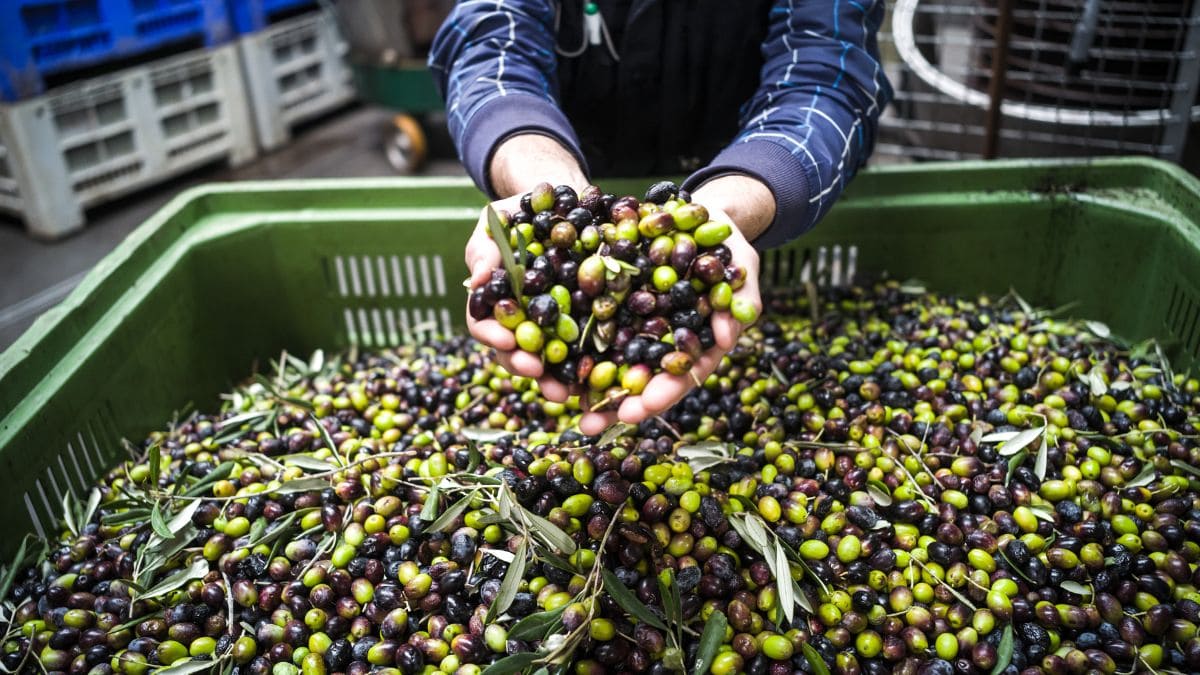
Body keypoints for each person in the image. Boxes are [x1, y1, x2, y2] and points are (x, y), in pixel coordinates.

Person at [429, 0, 891, 435]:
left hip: (759, 202)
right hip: (579, 167)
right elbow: (490, 46)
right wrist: (543, 181)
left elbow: (828, 75)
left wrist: (736, 198)